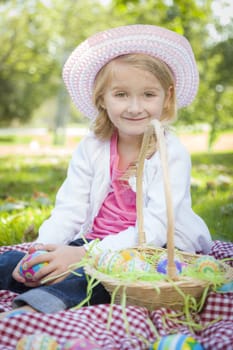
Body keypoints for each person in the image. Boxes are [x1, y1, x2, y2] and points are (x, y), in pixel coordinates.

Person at [0, 24, 212, 317]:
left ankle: (36, 305)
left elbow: (155, 227)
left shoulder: (170, 153)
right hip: (91, 241)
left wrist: (84, 256)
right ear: (101, 97)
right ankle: (43, 279)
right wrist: (43, 249)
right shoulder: (93, 147)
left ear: (167, 97)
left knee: (97, 280)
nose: (135, 107)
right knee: (25, 262)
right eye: (121, 94)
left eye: (148, 95)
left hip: (147, 250)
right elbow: (69, 209)